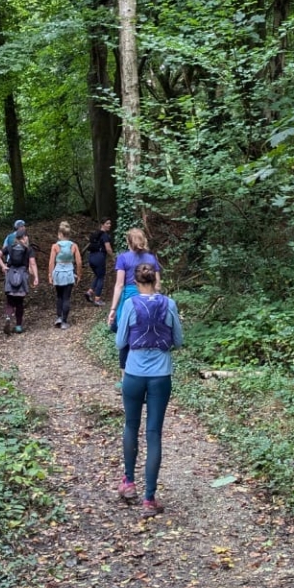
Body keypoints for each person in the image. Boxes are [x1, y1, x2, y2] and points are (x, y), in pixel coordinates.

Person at [116, 263, 183, 516]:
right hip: (160, 376)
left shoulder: (131, 304)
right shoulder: (170, 304)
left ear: (135, 282)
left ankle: (129, 482)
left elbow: (120, 341)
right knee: (153, 432)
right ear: (155, 279)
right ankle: (149, 499)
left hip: (133, 374)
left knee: (131, 425)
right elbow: (178, 340)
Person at [107, 227, 161, 377]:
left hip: (129, 299)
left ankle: (125, 378)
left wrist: (113, 309)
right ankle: (146, 372)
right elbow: (157, 285)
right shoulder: (151, 259)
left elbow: (119, 285)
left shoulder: (123, 258)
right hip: (149, 297)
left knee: (124, 336)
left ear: (128, 242)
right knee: (146, 334)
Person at [0, 230, 38, 334]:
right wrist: (36, 277)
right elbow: (33, 263)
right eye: (26, 237)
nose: (27, 238)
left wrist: (3, 266)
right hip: (22, 276)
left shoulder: (9, 247)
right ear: (24, 238)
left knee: (10, 301)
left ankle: (8, 318)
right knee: (19, 302)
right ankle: (18, 326)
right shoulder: (28, 249)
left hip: (10, 275)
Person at [48, 221, 82, 329]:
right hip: (69, 273)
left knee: (59, 296)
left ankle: (58, 317)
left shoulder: (55, 246)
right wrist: (79, 274)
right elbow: (79, 262)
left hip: (58, 273)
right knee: (66, 297)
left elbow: (51, 262)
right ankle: (64, 321)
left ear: (60, 234)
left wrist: (50, 275)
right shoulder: (74, 246)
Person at [85, 218, 114, 304]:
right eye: (107, 223)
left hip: (91, 257)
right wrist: (113, 257)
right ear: (102, 224)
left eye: (110, 223)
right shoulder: (104, 235)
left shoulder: (95, 234)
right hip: (99, 258)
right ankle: (97, 299)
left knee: (97, 275)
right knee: (101, 277)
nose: (109, 225)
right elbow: (108, 248)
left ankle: (89, 292)